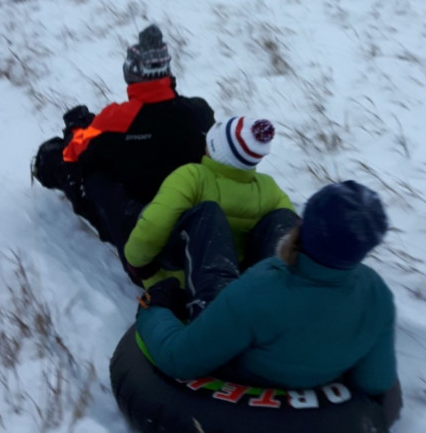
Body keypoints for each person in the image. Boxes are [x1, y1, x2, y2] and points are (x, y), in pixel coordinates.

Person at [135, 180, 397, 395]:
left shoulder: (258, 291)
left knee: (208, 217)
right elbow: (376, 382)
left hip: (236, 358)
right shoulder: (377, 293)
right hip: (281, 325)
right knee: (278, 218)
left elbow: (178, 360)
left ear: (305, 228)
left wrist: (154, 307)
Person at [32, 24, 214, 274]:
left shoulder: (113, 121)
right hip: (197, 223)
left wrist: (76, 127)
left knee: (72, 163)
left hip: (142, 234)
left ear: (132, 74)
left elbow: (71, 155)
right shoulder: (200, 113)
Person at [123, 116, 298, 315]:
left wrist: (135, 261)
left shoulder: (192, 177)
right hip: (243, 282)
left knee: (150, 212)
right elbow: (293, 240)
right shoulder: (270, 189)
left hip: (181, 285)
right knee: (282, 220)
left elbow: (152, 227)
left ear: (213, 149)